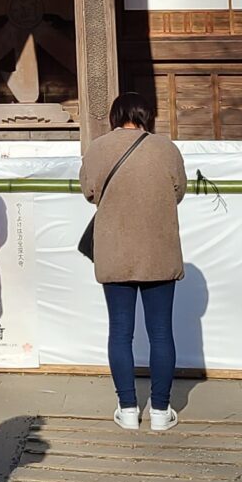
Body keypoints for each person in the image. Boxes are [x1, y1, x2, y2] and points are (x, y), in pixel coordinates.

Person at [78, 94, 187, 433]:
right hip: (159, 249)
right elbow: (179, 190)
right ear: (146, 116)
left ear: (115, 116)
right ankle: (160, 410)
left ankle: (127, 408)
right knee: (160, 332)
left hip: (116, 251)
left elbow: (89, 191)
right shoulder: (166, 148)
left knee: (120, 332)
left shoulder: (97, 148)